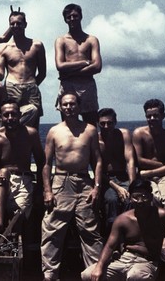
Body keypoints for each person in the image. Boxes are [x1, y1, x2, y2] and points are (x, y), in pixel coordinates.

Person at [81, 178, 165, 281]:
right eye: (136, 197)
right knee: (88, 275)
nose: (140, 201)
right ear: (130, 198)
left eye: (144, 197)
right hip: (124, 259)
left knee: (136, 277)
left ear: (151, 197)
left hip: (146, 262)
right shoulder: (123, 219)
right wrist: (99, 267)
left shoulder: (163, 215)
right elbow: (110, 246)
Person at [41, 91, 103, 281]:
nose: (69, 107)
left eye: (73, 104)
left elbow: (98, 161)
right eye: (65, 104)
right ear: (60, 106)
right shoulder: (54, 131)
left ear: (79, 106)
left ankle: (93, 273)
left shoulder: (90, 130)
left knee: (90, 230)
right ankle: (50, 275)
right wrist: (48, 190)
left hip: (84, 181)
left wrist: (97, 187)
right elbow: (46, 163)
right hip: (61, 182)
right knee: (52, 230)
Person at [0, 98, 45, 233]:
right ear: (1, 117)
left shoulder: (31, 134)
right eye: (6, 115)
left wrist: (41, 188)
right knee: (3, 172)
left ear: (20, 115)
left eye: (13, 114)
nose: (10, 118)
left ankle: (8, 235)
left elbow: (42, 161)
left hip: (23, 181)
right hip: (0, 184)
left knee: (20, 216)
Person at [132, 99, 165, 263]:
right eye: (149, 116)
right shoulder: (139, 134)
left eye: (155, 116)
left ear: (163, 115)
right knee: (154, 197)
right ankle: (153, 240)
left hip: (163, 176)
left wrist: (152, 170)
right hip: (146, 177)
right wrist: (160, 165)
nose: (152, 119)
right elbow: (136, 159)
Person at [0, 10, 46, 129]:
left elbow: (42, 73)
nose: (16, 26)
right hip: (11, 88)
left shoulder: (36, 45)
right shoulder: (3, 48)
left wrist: (31, 86)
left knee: (33, 126)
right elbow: (0, 74)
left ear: (25, 24)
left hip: (32, 88)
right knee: (9, 122)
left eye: (19, 23)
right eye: (12, 24)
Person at [55, 3, 102, 125]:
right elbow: (60, 66)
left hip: (86, 86)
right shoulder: (61, 41)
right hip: (67, 86)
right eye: (69, 17)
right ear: (65, 19)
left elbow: (97, 66)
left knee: (91, 123)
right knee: (67, 124)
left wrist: (71, 74)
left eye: (75, 16)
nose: (72, 19)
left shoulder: (91, 40)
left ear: (81, 16)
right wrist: (85, 62)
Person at [97, 108, 137, 237]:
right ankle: (112, 239)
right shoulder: (96, 141)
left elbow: (130, 160)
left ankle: (128, 237)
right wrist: (117, 188)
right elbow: (97, 169)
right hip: (106, 179)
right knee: (111, 200)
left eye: (109, 123)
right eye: (102, 123)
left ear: (115, 122)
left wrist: (132, 185)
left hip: (123, 176)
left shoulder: (123, 134)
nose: (106, 126)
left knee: (130, 200)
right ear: (98, 123)